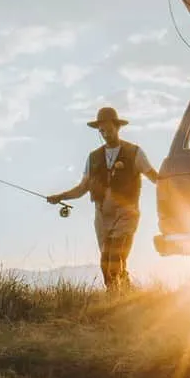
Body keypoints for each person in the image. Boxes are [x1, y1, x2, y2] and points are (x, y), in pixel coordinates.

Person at [47, 106, 158, 291]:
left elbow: (154, 176)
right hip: (102, 216)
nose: (105, 133)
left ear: (117, 127)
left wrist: (174, 186)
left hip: (127, 213)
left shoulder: (134, 152)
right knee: (107, 260)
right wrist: (60, 196)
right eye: (101, 130)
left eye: (108, 128)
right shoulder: (93, 157)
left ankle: (116, 293)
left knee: (113, 256)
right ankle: (120, 293)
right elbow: (83, 188)